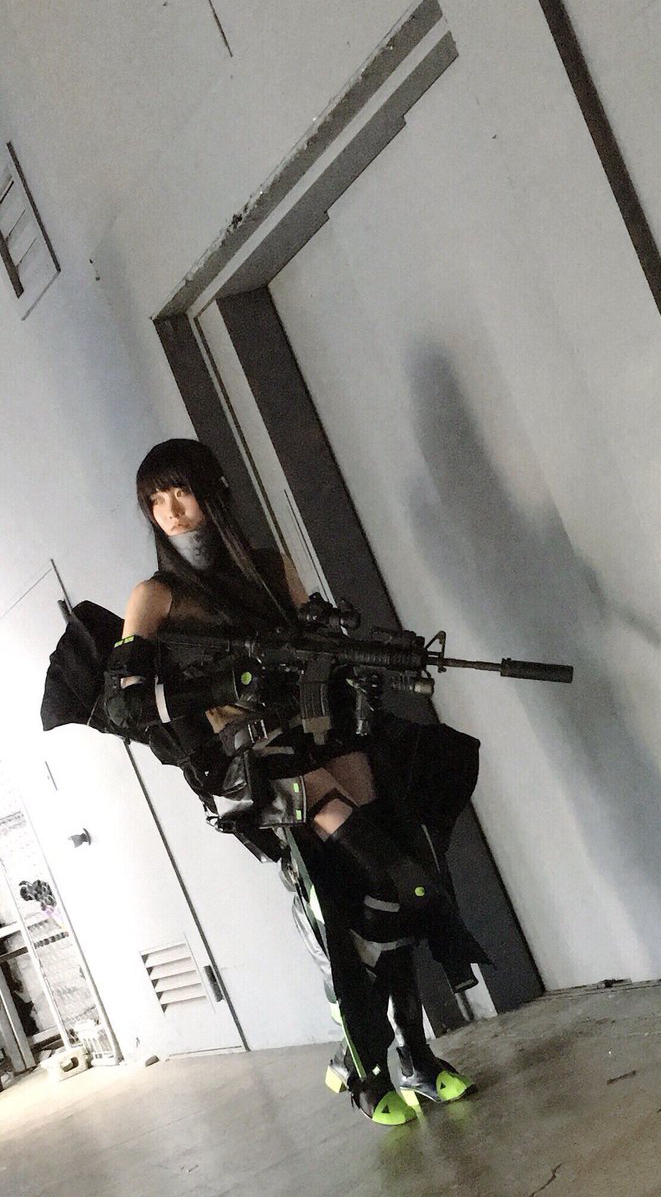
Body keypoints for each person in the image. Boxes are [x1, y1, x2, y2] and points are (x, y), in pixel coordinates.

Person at [102, 438, 481, 1125]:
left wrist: (362, 664)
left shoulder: (271, 568)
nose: (172, 511)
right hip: (252, 765)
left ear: (214, 491)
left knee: (397, 892)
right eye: (155, 500)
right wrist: (226, 684)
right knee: (359, 893)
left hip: (319, 736)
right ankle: (368, 1071)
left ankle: (416, 1059)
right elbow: (124, 705)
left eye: (181, 491)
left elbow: (320, 646)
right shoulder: (155, 596)